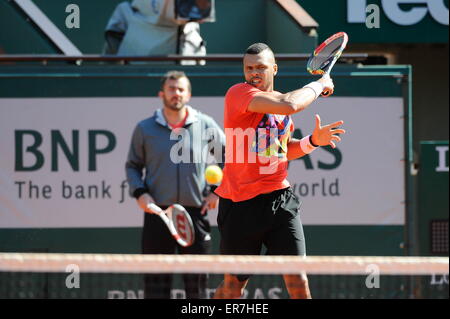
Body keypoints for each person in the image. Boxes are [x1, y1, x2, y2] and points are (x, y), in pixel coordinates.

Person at [213, 43, 346, 299]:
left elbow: (282, 151)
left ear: (274, 68)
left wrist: (313, 142)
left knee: (298, 280)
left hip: (280, 200)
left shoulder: (280, 111)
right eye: (249, 68)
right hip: (240, 206)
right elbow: (290, 104)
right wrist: (319, 85)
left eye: (261, 67)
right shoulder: (239, 94)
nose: (254, 73)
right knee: (233, 287)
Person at [125, 70, 225, 299]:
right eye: (171, 89)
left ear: (188, 94)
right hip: (158, 215)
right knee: (156, 288)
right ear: (162, 93)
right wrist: (140, 193)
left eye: (181, 89)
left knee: (197, 288)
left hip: (196, 213)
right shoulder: (144, 128)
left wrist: (217, 192)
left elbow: (228, 158)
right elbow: (132, 166)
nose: (176, 93)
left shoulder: (206, 124)